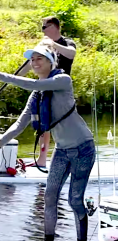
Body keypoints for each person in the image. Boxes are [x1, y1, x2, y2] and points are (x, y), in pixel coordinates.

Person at [0, 45, 95, 241]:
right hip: (62, 150)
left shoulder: (63, 80)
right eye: (32, 60)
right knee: (49, 196)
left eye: (39, 59)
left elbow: (32, 83)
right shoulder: (37, 95)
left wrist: (2, 75)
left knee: (74, 200)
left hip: (83, 148)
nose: (35, 63)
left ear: (51, 62)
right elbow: (17, 126)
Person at [19, 16, 77, 168]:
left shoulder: (67, 42)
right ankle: (42, 159)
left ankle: (69, 157)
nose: (42, 31)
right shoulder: (42, 45)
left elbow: (71, 54)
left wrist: (53, 45)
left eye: (45, 27)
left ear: (55, 27)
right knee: (42, 123)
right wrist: (13, 78)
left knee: (62, 126)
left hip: (60, 90)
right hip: (43, 88)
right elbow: (27, 66)